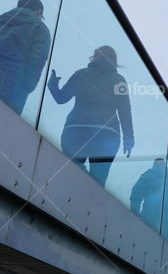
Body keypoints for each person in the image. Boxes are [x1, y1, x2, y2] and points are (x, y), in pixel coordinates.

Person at [46, 45, 134, 187]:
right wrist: (128, 137)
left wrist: (52, 85)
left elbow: (61, 98)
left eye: (93, 55)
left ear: (96, 57)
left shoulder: (81, 74)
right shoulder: (119, 80)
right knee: (96, 186)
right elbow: (125, 112)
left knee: (69, 178)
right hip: (107, 134)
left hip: (76, 129)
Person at [129, 158, 168, 243]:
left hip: (148, 221)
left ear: (153, 165)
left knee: (144, 249)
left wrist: (136, 216)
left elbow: (135, 197)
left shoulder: (147, 176)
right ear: (165, 165)